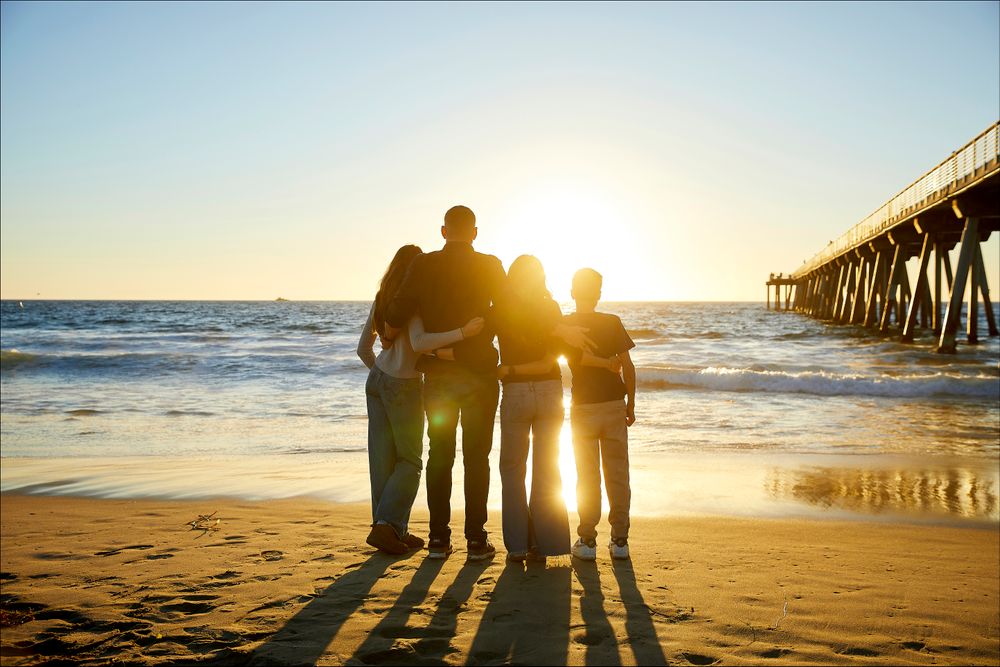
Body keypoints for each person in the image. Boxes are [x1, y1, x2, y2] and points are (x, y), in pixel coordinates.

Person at [384, 206, 507, 560]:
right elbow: (506, 311)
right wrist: (472, 343)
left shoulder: (424, 265)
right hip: (479, 376)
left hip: (438, 376)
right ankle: (475, 539)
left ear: (442, 231)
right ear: (475, 233)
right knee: (476, 457)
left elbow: (397, 310)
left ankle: (438, 537)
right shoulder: (490, 265)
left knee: (440, 455)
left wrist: (393, 334)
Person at [357, 244, 484, 555]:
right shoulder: (412, 302)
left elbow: (363, 349)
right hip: (404, 385)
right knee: (411, 461)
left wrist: (383, 375)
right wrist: (464, 332)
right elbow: (419, 342)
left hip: (377, 381)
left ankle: (390, 528)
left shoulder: (382, 299)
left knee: (382, 460)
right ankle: (387, 526)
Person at [488, 255, 571, 562]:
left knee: (512, 469)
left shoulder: (501, 309)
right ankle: (546, 543)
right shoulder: (550, 307)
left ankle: (518, 546)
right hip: (550, 391)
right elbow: (554, 358)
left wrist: (506, 371)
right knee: (547, 467)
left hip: (515, 393)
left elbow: (482, 343)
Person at [564, 268, 637, 561]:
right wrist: (630, 403)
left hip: (583, 406)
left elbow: (574, 358)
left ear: (572, 292)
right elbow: (628, 366)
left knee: (587, 475)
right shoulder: (612, 322)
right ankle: (620, 540)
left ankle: (587, 539)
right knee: (617, 473)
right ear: (598, 294)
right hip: (612, 404)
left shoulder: (566, 325)